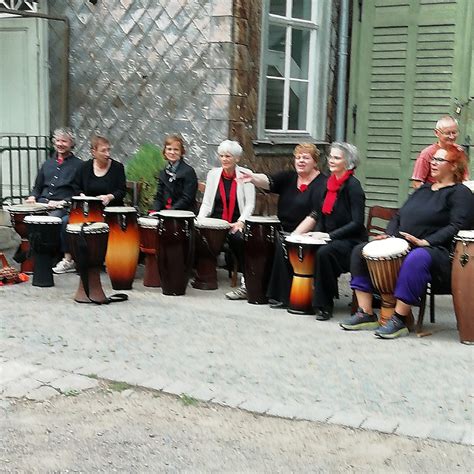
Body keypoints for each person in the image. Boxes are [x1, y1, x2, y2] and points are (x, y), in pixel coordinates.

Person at [343, 145, 472, 338]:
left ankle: (399, 319)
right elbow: (399, 215)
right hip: (406, 244)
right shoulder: (424, 189)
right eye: (433, 159)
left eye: (439, 160)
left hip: (440, 252)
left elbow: (457, 226)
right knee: (361, 250)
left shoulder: (460, 193)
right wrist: (390, 235)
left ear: (454, 166)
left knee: (417, 257)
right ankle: (365, 312)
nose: (432, 163)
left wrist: (426, 242)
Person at [239, 143, 327, 308]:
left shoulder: (322, 183)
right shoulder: (289, 177)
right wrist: (253, 178)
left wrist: (294, 235)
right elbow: (270, 181)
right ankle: (254, 288)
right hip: (283, 228)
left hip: (308, 233)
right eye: (298, 157)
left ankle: (283, 296)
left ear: (315, 162)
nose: (300, 161)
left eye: (306, 158)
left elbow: (315, 214)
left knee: (282, 243)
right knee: (257, 239)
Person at [293, 142, 367, 320]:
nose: (331, 160)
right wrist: (315, 234)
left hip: (352, 241)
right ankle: (302, 297)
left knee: (324, 253)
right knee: (309, 249)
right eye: (330, 157)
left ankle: (324, 305)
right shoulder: (328, 184)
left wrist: (328, 236)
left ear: (348, 162)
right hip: (331, 237)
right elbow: (322, 215)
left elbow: (357, 223)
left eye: (336, 157)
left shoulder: (353, 187)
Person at [52, 134, 127, 274]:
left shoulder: (117, 167)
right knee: (65, 222)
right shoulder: (84, 167)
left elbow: (122, 191)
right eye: (103, 151)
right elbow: (75, 187)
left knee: (104, 225)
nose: (107, 154)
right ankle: (69, 259)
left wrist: (109, 197)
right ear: (93, 152)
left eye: (108, 150)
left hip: (109, 211)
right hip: (86, 210)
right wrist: (82, 196)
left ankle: (105, 259)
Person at [198, 139, 256, 300]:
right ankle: (202, 275)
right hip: (216, 222)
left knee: (239, 240)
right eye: (222, 156)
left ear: (237, 158)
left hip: (236, 222)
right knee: (197, 235)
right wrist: (200, 220)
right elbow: (207, 203)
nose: (224, 159)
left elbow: (250, 205)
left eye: (228, 156)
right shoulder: (213, 174)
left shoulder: (245, 175)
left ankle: (246, 281)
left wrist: (242, 221)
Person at [26, 128, 82, 216]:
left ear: (72, 144)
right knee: (27, 218)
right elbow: (37, 188)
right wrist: (32, 197)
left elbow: (78, 193)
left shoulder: (79, 165)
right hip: (42, 204)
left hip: (63, 207)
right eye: (58, 140)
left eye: (64, 141)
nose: (60, 144)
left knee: (50, 219)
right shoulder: (47, 163)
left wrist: (62, 202)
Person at [411, 116, 466, 189]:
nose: (452, 136)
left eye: (454, 132)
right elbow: (417, 183)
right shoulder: (427, 154)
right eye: (447, 133)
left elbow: (464, 178)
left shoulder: (459, 151)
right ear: (436, 133)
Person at [152, 135, 198, 212]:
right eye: (169, 149)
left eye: (176, 149)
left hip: (183, 214)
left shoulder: (189, 172)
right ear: (165, 152)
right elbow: (159, 196)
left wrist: (170, 211)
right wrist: (155, 211)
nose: (172, 152)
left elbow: (187, 198)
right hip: (165, 213)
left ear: (181, 152)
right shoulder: (163, 172)